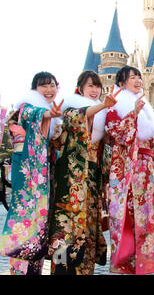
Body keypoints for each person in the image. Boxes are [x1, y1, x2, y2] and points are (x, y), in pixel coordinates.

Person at [47, 70, 119, 275]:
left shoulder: (101, 117)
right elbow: (79, 117)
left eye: (97, 86)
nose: (95, 90)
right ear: (80, 88)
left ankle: (84, 270)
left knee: (87, 226)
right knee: (65, 227)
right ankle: (61, 269)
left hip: (92, 181)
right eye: (90, 86)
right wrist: (104, 106)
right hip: (70, 181)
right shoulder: (71, 108)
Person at [0, 72, 62, 275]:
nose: (49, 89)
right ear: (34, 89)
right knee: (25, 216)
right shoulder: (28, 107)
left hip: (41, 173)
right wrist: (48, 115)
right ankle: (19, 270)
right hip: (27, 173)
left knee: (39, 220)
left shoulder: (48, 111)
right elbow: (35, 114)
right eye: (44, 86)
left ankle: (33, 268)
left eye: (52, 85)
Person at [105, 66, 154, 274]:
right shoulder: (116, 106)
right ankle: (124, 263)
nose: (137, 80)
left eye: (139, 76)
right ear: (121, 83)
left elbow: (151, 141)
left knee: (145, 217)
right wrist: (134, 113)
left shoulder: (145, 106)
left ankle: (143, 264)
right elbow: (115, 133)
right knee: (126, 215)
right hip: (127, 169)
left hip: (144, 170)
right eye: (132, 77)